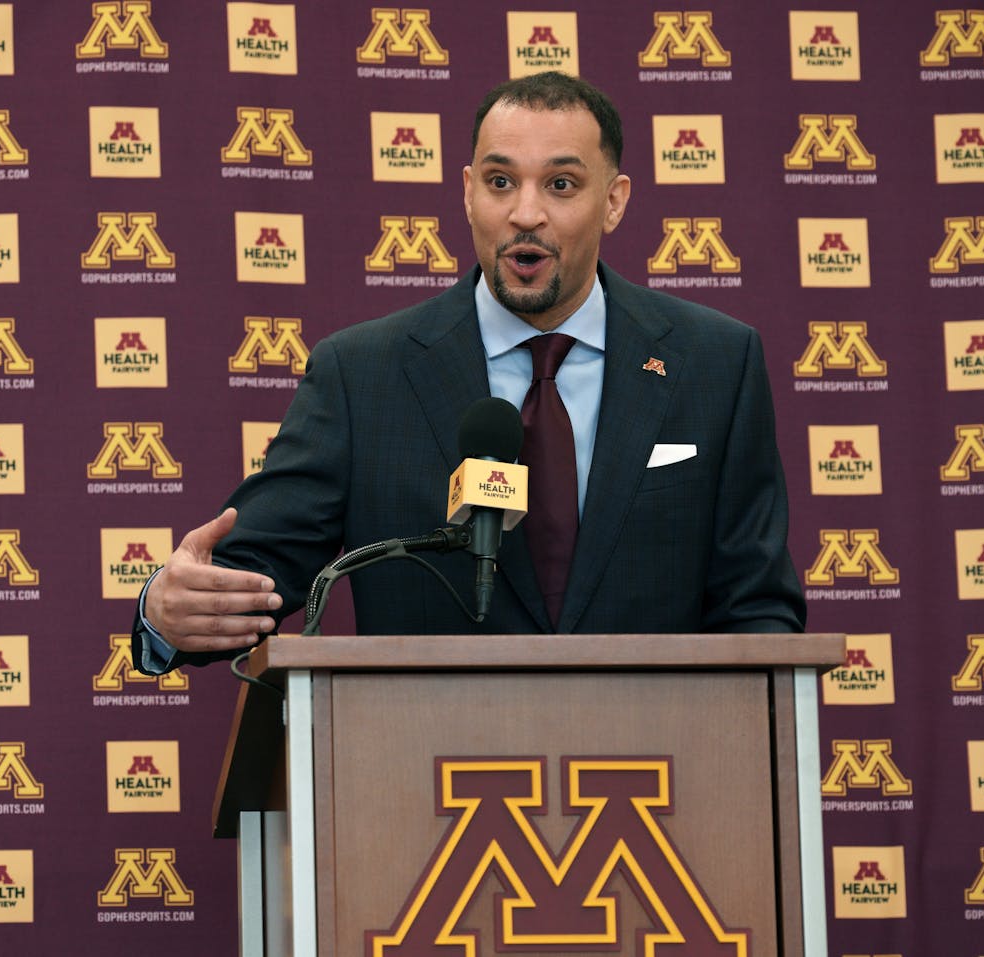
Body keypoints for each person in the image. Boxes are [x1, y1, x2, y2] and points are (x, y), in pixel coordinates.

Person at [132, 72, 805, 675]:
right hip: (432, 785)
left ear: (614, 200)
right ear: (468, 192)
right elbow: (245, 586)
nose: (525, 214)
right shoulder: (363, 375)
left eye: (561, 185)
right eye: (501, 181)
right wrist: (170, 613)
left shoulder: (716, 363)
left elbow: (759, 609)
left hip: (655, 785)